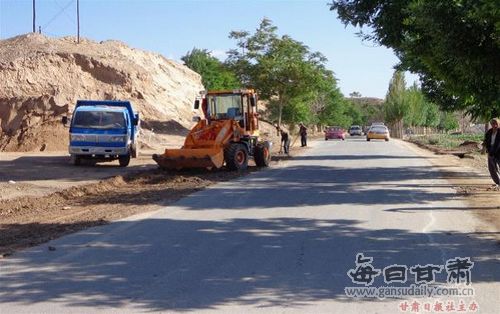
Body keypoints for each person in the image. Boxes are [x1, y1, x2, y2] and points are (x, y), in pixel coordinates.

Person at [483, 118, 500, 189]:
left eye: (496, 123)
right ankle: (498, 182)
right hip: (490, 150)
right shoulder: (489, 132)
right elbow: (486, 140)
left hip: (499, 151)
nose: (494, 125)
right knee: (491, 168)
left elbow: (499, 143)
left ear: (498, 124)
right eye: (493, 123)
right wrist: (487, 149)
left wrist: (495, 152)